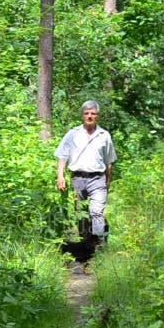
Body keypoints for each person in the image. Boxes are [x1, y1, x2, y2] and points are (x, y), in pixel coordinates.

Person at [55, 100, 117, 247]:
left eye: (93, 113)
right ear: (82, 115)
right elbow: (62, 156)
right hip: (78, 178)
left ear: (97, 116)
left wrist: (107, 183)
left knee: (96, 211)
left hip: (98, 178)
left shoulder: (104, 135)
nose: (89, 116)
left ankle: (99, 243)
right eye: (87, 113)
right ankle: (86, 242)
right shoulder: (72, 134)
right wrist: (60, 176)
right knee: (81, 212)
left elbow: (109, 162)